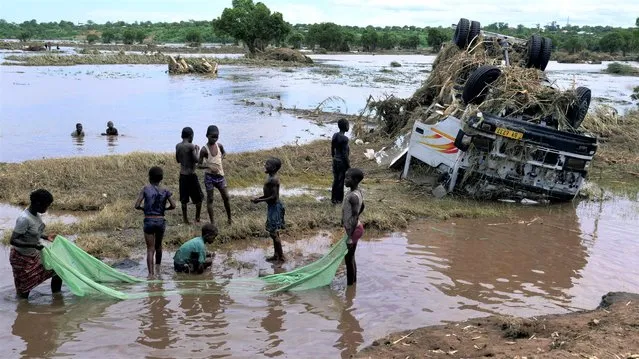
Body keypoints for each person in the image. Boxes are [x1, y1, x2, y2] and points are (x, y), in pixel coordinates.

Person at [9, 189, 63, 299]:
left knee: (57, 270)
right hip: (22, 259)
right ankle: (23, 310)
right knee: (24, 291)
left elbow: (33, 232)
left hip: (33, 255)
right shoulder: (24, 219)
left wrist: (46, 236)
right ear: (38, 203)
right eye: (46, 206)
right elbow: (13, 240)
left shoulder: (35, 215)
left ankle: (57, 298)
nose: (47, 209)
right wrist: (33, 245)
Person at [135, 166, 176, 276]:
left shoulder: (145, 189)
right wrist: (164, 209)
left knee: (150, 249)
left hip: (148, 221)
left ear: (149, 177)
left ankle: (151, 275)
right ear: (161, 178)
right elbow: (173, 205)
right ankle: (158, 269)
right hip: (160, 221)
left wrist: (144, 209)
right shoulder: (165, 191)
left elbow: (137, 205)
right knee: (158, 246)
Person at [251, 157, 286, 262]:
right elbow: (269, 195)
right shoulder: (270, 177)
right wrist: (259, 198)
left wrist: (260, 200)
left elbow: (274, 197)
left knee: (274, 233)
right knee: (275, 233)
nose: (265, 166)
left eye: (268, 164)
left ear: (274, 168)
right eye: (265, 163)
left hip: (275, 208)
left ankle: (282, 257)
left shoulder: (274, 179)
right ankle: (276, 255)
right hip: (272, 207)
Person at [198, 125, 232, 225]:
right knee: (210, 199)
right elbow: (198, 165)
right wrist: (209, 167)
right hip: (209, 177)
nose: (215, 139)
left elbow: (224, 153)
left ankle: (229, 219)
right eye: (212, 136)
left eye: (216, 136)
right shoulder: (204, 150)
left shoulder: (219, 146)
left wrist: (221, 159)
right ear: (207, 136)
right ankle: (213, 222)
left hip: (220, 176)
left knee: (226, 197)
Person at [176, 127, 203, 224]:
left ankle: (185, 219)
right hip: (191, 175)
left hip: (182, 175)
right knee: (199, 199)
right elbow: (196, 160)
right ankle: (197, 218)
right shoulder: (191, 146)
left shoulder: (178, 146)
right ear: (191, 136)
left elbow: (178, 160)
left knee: (184, 200)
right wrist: (197, 150)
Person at [342, 168, 365, 285]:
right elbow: (363, 206)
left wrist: (350, 236)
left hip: (354, 230)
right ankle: (354, 281)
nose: (345, 180)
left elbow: (355, 216)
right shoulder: (357, 192)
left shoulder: (353, 197)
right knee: (351, 257)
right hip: (354, 228)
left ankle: (350, 287)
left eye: (347, 178)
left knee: (348, 259)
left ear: (355, 180)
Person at [331, 118, 350, 204]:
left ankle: (333, 198)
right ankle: (339, 200)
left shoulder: (335, 135)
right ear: (345, 126)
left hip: (335, 160)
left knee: (335, 180)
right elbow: (345, 154)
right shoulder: (345, 139)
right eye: (348, 125)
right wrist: (348, 165)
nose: (349, 126)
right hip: (342, 162)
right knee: (341, 181)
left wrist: (334, 157)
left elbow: (332, 148)